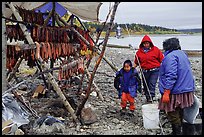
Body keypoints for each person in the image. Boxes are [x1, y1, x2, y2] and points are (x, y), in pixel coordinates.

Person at [158, 38, 196, 135]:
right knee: (180, 109)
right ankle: (180, 131)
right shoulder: (183, 54)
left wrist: (167, 91)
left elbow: (171, 75)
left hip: (176, 90)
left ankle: (177, 132)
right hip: (186, 88)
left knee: (172, 111)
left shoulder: (170, 57)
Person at [134, 35, 164, 103]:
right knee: (145, 84)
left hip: (154, 70)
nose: (146, 45)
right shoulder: (139, 52)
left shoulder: (156, 50)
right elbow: (136, 62)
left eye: (147, 43)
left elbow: (162, 60)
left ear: (150, 43)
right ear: (142, 44)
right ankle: (148, 97)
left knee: (152, 83)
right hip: (144, 71)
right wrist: (132, 69)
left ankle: (151, 97)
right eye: (144, 43)